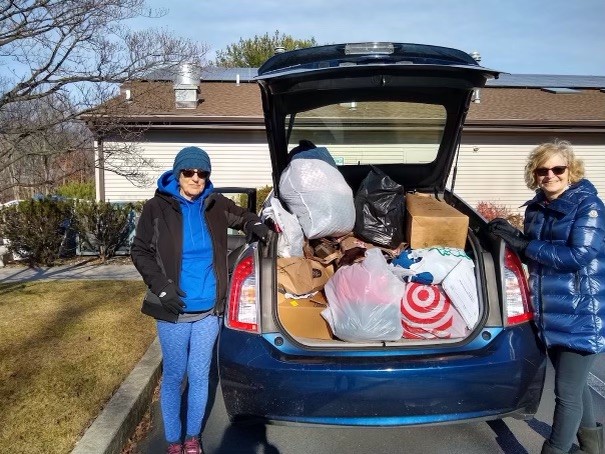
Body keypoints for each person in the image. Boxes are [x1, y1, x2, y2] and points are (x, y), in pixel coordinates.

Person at [131, 146, 269, 454]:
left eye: (202, 173)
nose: (196, 178)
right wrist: (162, 287)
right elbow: (140, 250)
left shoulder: (215, 204)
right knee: (174, 375)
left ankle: (192, 438)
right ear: (178, 174)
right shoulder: (157, 208)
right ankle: (173, 441)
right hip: (173, 309)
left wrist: (256, 225)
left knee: (200, 374)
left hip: (209, 311)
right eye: (189, 172)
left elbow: (243, 216)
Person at [488, 140, 605, 454]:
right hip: (549, 311)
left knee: (566, 394)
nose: (550, 175)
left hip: (582, 312)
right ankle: (592, 446)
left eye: (558, 168)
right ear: (534, 174)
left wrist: (525, 246)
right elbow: (539, 258)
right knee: (576, 390)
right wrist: (511, 241)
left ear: (571, 171)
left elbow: (578, 255)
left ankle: (555, 449)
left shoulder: (588, 205)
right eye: (543, 170)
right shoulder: (538, 208)